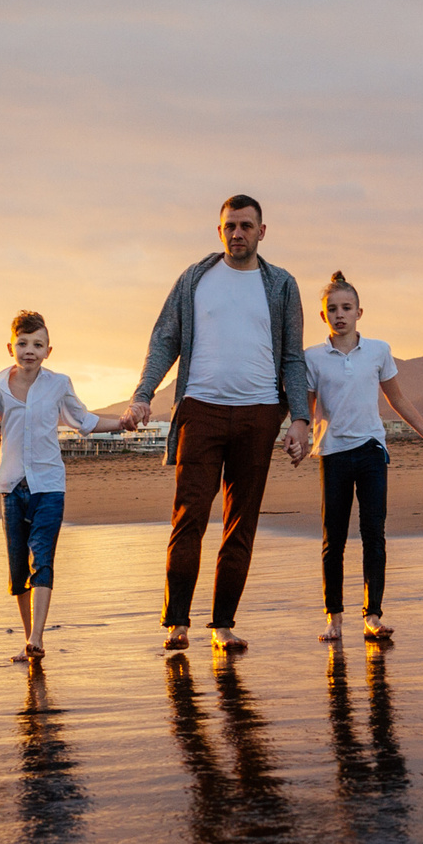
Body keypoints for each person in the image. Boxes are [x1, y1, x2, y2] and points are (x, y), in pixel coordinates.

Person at [122, 195, 312, 653]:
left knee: (240, 524)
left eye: (246, 225)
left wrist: (301, 417)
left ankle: (223, 625)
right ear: (219, 230)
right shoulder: (194, 279)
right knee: (188, 519)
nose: (237, 233)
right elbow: (164, 339)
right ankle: (177, 623)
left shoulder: (282, 285)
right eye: (229, 225)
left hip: (259, 413)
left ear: (262, 231)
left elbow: (292, 357)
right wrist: (143, 394)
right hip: (200, 410)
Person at [300, 270, 423, 644]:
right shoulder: (313, 357)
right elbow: (308, 407)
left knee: (373, 535)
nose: (339, 314)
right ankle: (333, 618)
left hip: (370, 451)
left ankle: (374, 615)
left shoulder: (379, 350)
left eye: (346, 307)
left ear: (359, 312)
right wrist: (299, 440)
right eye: (332, 309)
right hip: (332, 453)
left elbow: (397, 400)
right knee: (333, 539)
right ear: (323, 316)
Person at [0, 310, 124, 661]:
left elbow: (83, 420)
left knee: (42, 557)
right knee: (17, 568)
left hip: (50, 485)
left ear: (48, 351)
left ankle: (37, 637)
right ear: (10, 346)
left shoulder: (59, 384)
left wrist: (123, 422)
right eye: (23, 343)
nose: (30, 350)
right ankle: (29, 639)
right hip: (12, 487)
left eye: (37, 344)